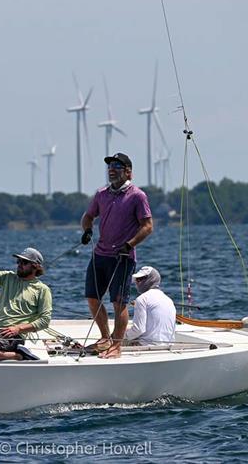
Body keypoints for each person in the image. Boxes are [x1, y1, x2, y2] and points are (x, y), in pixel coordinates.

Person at [80, 153, 153, 359]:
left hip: (122, 258)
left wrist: (129, 244)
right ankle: (105, 338)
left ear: (128, 171)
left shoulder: (137, 196)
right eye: (110, 166)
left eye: (117, 166)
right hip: (100, 255)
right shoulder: (101, 194)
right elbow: (88, 216)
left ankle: (117, 346)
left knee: (119, 303)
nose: (112, 169)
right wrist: (87, 230)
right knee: (93, 298)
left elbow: (148, 226)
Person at [124, 266, 176, 345]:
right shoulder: (169, 300)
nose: (137, 283)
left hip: (147, 346)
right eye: (136, 280)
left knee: (113, 342)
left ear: (151, 279)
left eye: (140, 279)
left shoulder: (142, 299)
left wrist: (122, 335)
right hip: (168, 345)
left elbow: (138, 330)